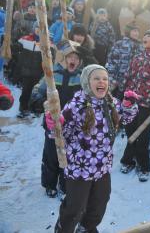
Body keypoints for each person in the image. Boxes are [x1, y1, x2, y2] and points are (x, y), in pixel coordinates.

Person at [47, 64, 139, 233]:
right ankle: (63, 230)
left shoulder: (111, 102)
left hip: (102, 166)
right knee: (75, 207)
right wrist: (55, 124)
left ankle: (86, 228)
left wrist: (128, 105)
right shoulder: (76, 104)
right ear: (87, 82)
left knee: (100, 202)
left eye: (105, 78)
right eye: (96, 78)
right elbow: (60, 133)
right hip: (79, 168)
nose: (101, 81)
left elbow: (124, 119)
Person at [30, 41, 82, 198]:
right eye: (70, 57)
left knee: (69, 155)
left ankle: (65, 182)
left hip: (72, 125)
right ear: (63, 59)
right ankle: (50, 183)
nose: (73, 60)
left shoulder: (81, 78)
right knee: (51, 153)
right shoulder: (53, 74)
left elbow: (88, 97)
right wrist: (39, 100)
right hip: (52, 123)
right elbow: (37, 89)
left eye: (76, 58)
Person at [120, 29, 150, 182]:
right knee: (130, 131)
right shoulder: (137, 57)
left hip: (147, 104)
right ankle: (128, 160)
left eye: (149, 36)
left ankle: (144, 165)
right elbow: (129, 75)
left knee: (142, 135)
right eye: (145, 35)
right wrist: (124, 93)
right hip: (131, 102)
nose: (145, 37)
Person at [106, 22, 142, 100]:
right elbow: (111, 61)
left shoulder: (140, 47)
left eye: (137, 31)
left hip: (130, 84)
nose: (136, 33)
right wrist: (112, 78)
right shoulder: (120, 44)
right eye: (134, 31)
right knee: (111, 102)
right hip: (117, 81)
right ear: (128, 31)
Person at [16, 22, 44, 118]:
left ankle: (31, 108)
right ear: (34, 28)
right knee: (26, 90)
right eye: (37, 27)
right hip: (26, 71)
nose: (38, 30)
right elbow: (16, 47)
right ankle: (22, 108)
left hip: (38, 72)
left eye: (41, 28)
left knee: (34, 91)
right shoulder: (26, 39)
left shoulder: (46, 43)